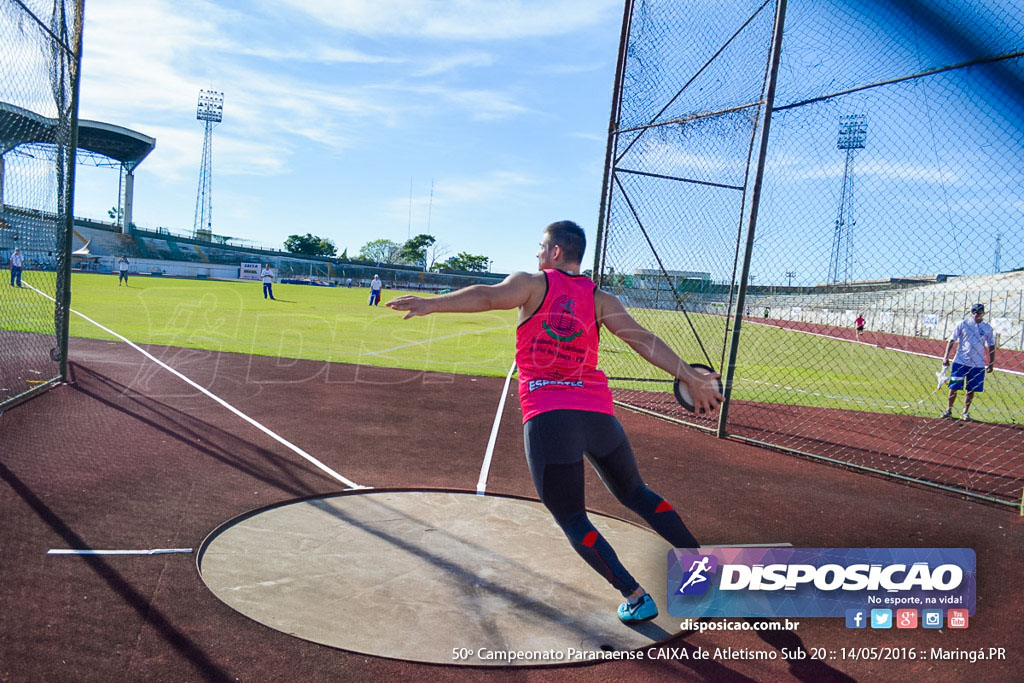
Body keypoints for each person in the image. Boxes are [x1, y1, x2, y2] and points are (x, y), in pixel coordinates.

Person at [387, 220, 723, 624]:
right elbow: (642, 339)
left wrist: (433, 303)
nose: (537, 253)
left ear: (556, 252)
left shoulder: (533, 283)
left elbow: (488, 297)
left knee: (572, 518)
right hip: (598, 414)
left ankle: (635, 597)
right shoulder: (601, 298)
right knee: (636, 492)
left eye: (541, 247)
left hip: (549, 417)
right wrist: (689, 376)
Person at [940, 303, 995, 422]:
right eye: (974, 312)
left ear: (983, 313)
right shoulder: (963, 324)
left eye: (979, 312)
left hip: (977, 363)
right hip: (960, 361)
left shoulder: (987, 328)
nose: (976, 314)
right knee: (954, 386)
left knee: (971, 389)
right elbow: (952, 340)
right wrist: (946, 356)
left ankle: (965, 412)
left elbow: (991, 345)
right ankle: (948, 409)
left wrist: (991, 362)